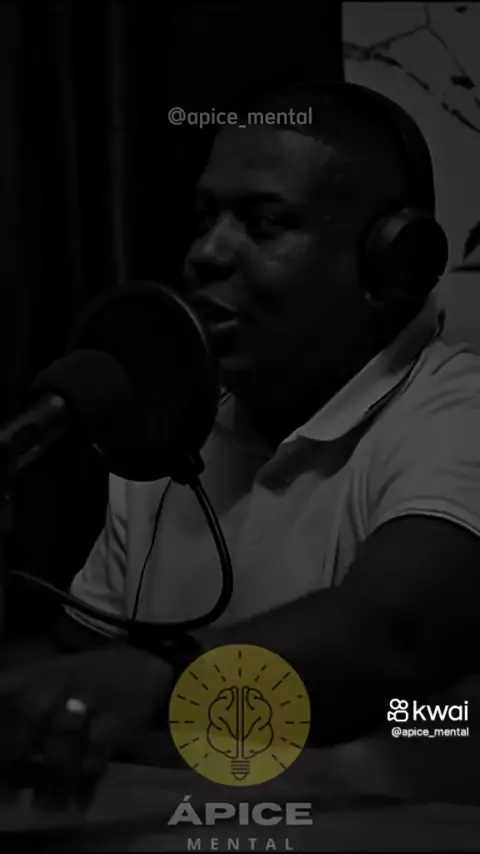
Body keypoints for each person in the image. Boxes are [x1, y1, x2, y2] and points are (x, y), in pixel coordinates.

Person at [2, 79, 480, 808]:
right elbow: (81, 657)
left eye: (263, 223)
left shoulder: (458, 410)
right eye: (205, 219)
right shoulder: (169, 428)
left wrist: (163, 679)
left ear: (394, 264)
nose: (206, 252)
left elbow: (395, 630)